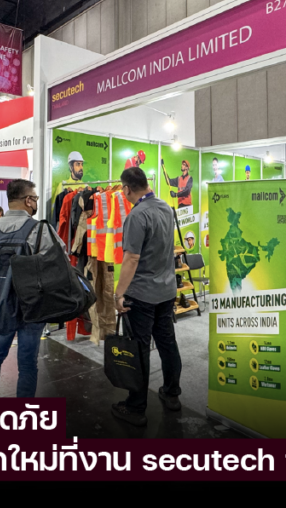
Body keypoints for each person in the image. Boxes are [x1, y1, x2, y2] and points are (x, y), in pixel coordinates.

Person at [110, 167, 183, 426]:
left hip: (141, 294)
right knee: (167, 343)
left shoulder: (137, 215)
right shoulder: (166, 208)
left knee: (139, 350)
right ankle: (172, 394)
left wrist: (119, 294)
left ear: (126, 188)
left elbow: (131, 258)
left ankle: (136, 408)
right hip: (166, 290)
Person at [0, 179, 61, 398]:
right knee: (28, 363)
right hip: (32, 310)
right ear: (29, 200)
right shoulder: (41, 230)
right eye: (36, 198)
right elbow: (60, 268)